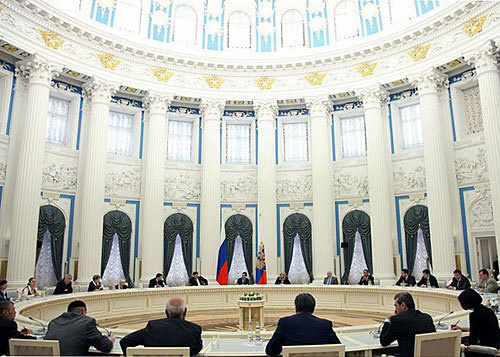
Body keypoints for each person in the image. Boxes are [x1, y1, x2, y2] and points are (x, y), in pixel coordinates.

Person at [120, 297, 202, 356]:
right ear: (185, 313)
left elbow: (125, 342)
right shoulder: (194, 330)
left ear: (166, 312)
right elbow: (197, 349)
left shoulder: (153, 328)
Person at [265, 293, 341, 356]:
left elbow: (271, 350)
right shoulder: (325, 325)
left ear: (296, 307)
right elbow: (338, 348)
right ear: (313, 308)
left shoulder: (285, 323)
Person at [44, 300, 114, 356]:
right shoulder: (87, 323)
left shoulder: (53, 323)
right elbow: (105, 346)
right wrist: (110, 340)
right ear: (83, 311)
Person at [380, 292, 436, 357]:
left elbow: (383, 341)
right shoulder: (427, 317)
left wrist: (387, 320)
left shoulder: (398, 320)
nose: (395, 310)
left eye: (396, 306)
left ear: (403, 305)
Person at [451, 289, 500, 356]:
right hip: (495, 345)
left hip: (484, 349)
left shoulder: (474, 315)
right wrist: (461, 328)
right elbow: (482, 328)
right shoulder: (488, 310)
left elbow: (473, 339)